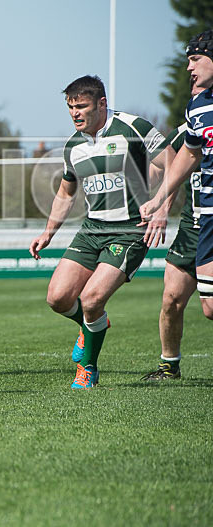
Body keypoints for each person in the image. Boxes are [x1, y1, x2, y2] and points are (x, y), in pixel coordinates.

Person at [29, 75, 171, 389]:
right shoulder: (73, 146)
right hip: (92, 229)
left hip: (129, 231)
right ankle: (94, 325)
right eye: (70, 107)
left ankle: (88, 369)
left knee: (91, 299)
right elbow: (66, 193)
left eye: (81, 106)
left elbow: (173, 165)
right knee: (57, 298)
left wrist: (161, 208)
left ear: (102, 104)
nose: (75, 113)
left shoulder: (134, 128)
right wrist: (47, 233)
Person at [141, 29, 213, 323]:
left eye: (195, 59)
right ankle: (169, 367)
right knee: (209, 308)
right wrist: (159, 200)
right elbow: (189, 155)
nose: (189, 68)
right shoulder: (196, 107)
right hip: (206, 216)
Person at [142, 87, 206, 381]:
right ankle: (169, 366)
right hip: (191, 228)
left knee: (210, 308)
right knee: (171, 298)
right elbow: (168, 170)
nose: (193, 87)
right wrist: (161, 207)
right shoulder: (187, 131)